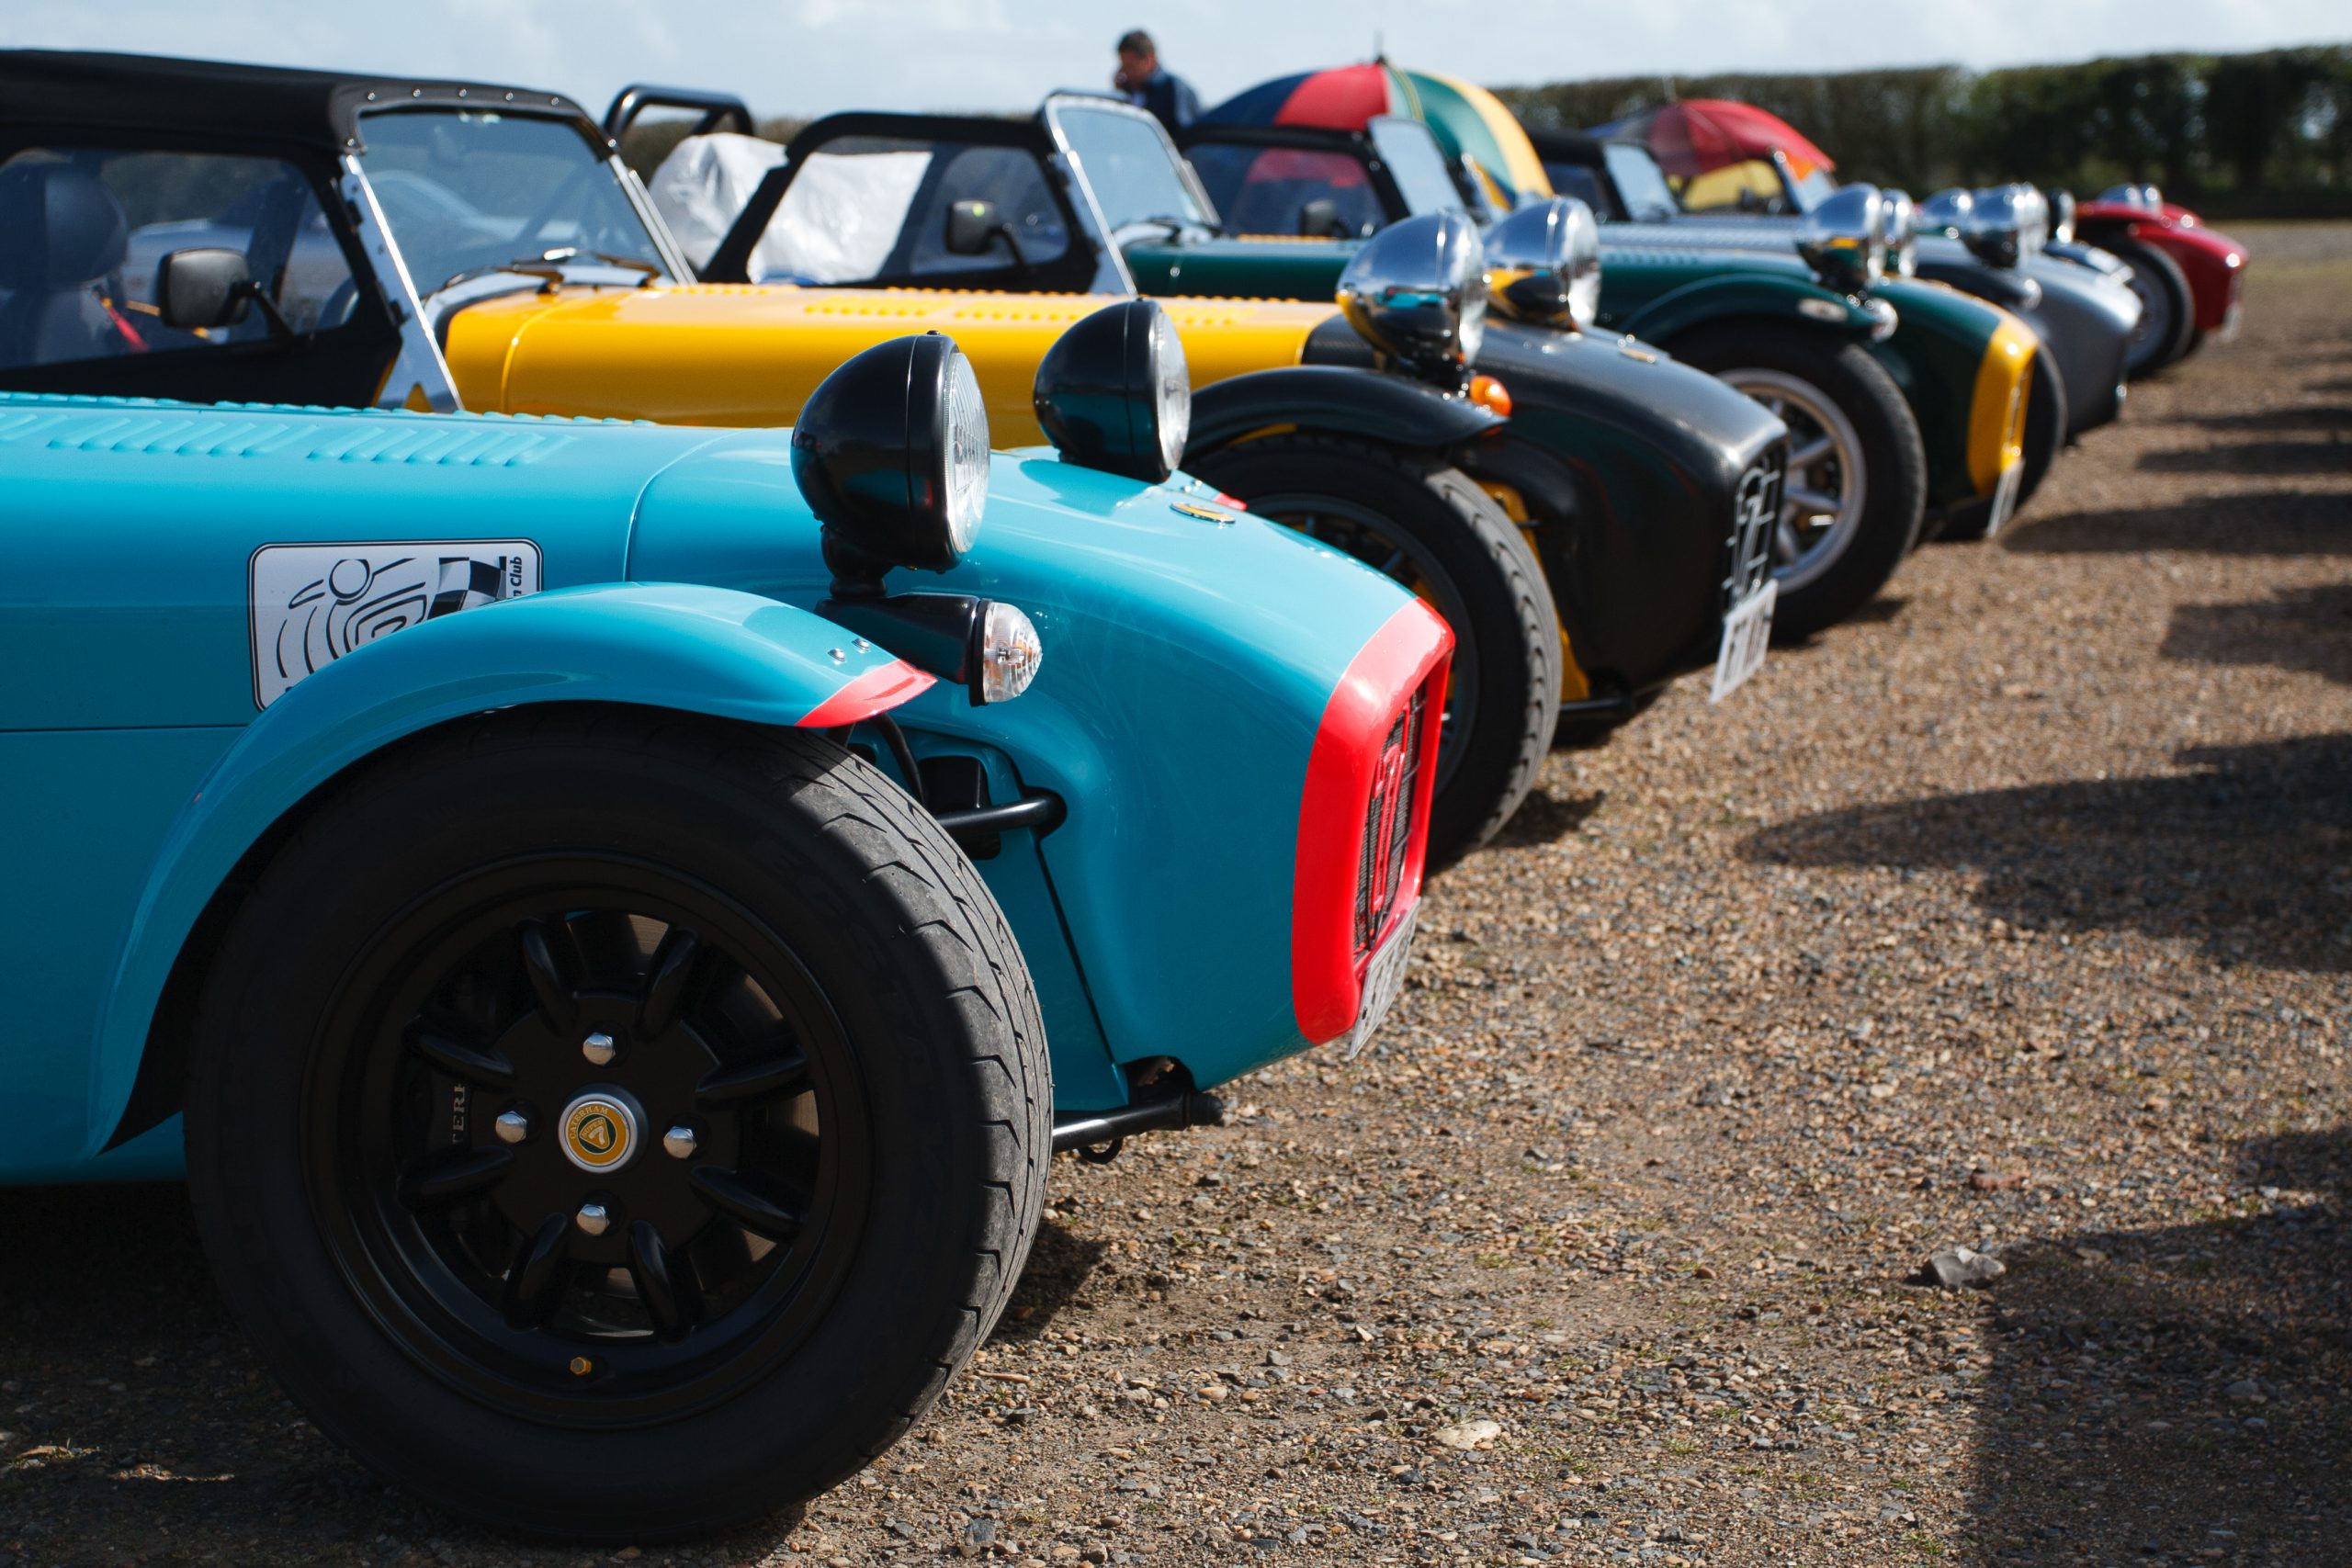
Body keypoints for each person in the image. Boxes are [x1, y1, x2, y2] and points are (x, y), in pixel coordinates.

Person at [1114, 28, 1199, 135]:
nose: (1125, 72)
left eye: (1130, 66)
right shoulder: (1126, 90)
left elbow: (1186, 135)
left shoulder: (1173, 89)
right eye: (1123, 66)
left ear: (1149, 59)